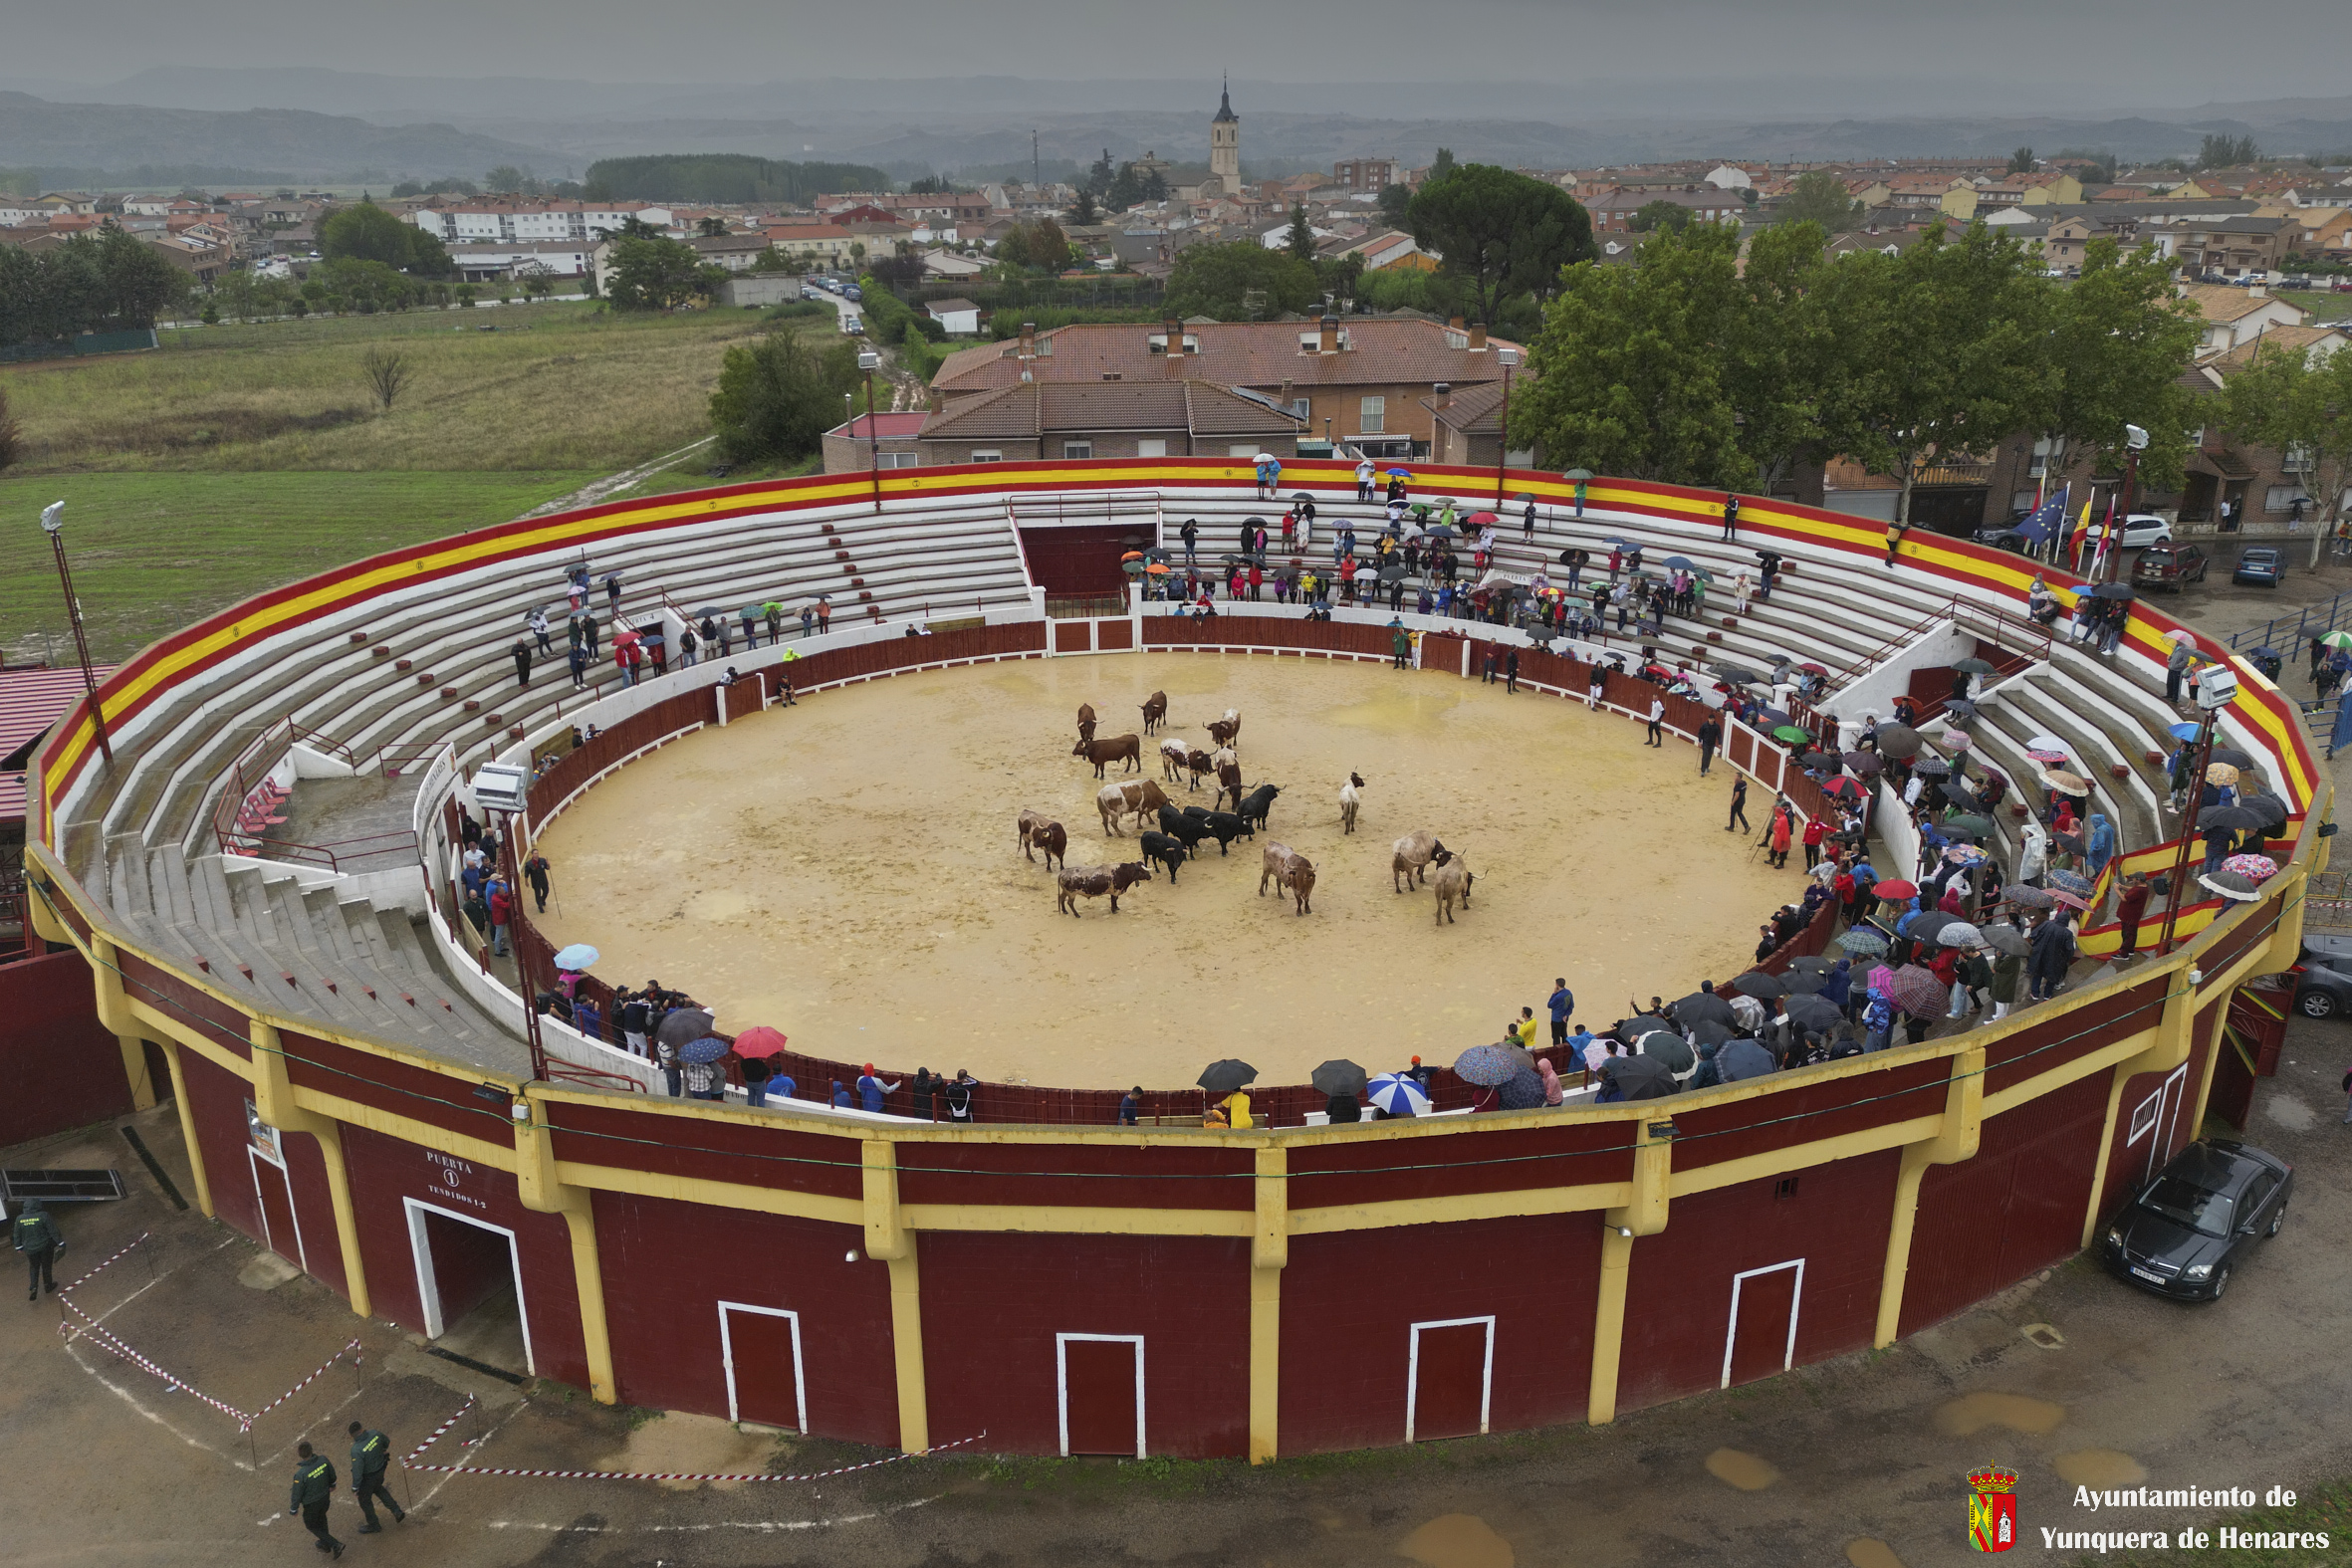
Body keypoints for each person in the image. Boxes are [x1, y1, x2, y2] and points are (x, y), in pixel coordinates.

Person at [346, 1422, 404, 1532]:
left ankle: (374, 1525)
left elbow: (358, 1470)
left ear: (352, 1435)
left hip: (368, 1478)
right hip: (381, 1469)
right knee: (378, 1488)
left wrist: (355, 1487)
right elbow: (386, 1442)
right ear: (361, 1428)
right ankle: (396, 1511)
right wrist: (381, 1450)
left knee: (365, 1501)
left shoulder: (356, 1450)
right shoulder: (375, 1433)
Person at [289, 1442, 344, 1558]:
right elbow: (332, 1473)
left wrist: (294, 1509)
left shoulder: (300, 1474)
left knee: (311, 1525)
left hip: (311, 1504)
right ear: (311, 1450)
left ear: (300, 1455)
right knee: (322, 1518)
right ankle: (325, 1544)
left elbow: (297, 1493)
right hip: (325, 1498)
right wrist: (332, 1484)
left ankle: (335, 1544)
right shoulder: (323, 1460)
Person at [14, 1196, 64, 1301]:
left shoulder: (19, 1218)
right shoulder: (43, 1215)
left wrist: (18, 1247)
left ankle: (34, 1287)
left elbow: (17, 1234)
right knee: (46, 1266)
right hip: (45, 1247)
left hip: (30, 1249)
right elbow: (53, 1230)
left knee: (33, 1267)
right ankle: (48, 1285)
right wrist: (60, 1242)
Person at [1548, 978, 1574, 1044]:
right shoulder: (1568, 993)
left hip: (1556, 1019)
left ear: (1557, 985)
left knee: (1556, 1037)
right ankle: (1565, 1048)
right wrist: (1566, 1015)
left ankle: (1557, 1050)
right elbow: (1571, 1005)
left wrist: (1554, 993)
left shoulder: (1558, 997)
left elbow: (1549, 1005)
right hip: (1564, 1018)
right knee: (1564, 1035)